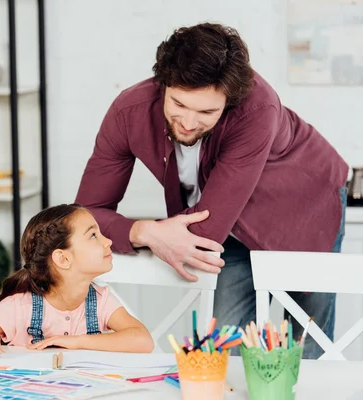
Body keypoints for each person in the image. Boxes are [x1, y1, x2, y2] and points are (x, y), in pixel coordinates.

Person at [74, 22, 348, 359]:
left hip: (305, 206)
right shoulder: (128, 111)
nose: (189, 122)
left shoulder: (258, 108)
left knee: (307, 348)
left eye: (207, 111)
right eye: (178, 104)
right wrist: (144, 230)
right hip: (228, 231)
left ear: (229, 101)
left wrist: (144, 232)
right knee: (223, 350)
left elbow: (205, 230)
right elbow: (83, 219)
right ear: (163, 84)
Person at [0, 204, 154, 360]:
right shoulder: (20, 308)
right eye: (93, 236)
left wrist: (77, 341)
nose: (108, 242)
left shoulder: (101, 301)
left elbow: (143, 340)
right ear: (63, 259)